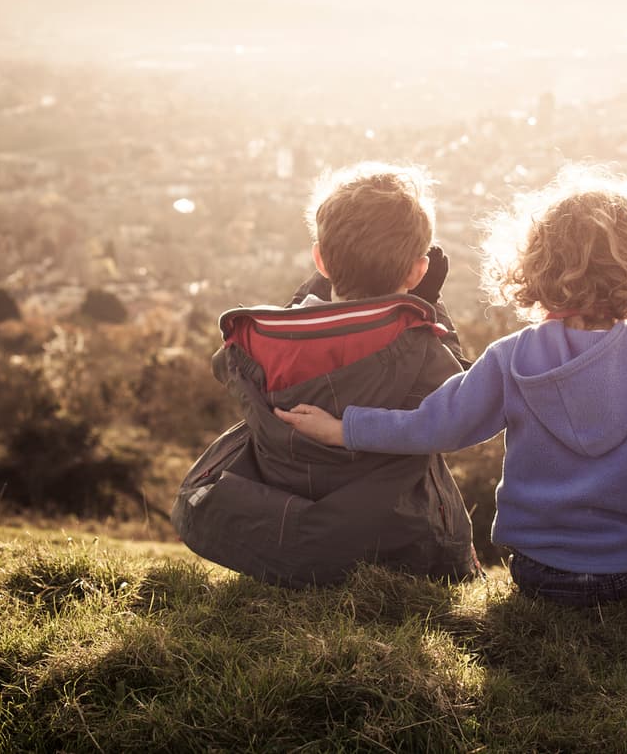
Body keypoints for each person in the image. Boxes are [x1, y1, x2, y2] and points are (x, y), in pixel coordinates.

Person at [276, 165, 627, 615]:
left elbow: (436, 427)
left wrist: (344, 428)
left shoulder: (512, 357)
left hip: (539, 572)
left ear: (538, 265)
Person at [171, 162, 482, 588]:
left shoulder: (262, 343)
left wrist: (306, 297)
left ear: (320, 259)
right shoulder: (420, 347)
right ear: (417, 271)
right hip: (397, 539)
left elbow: (223, 366)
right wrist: (430, 305)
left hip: (284, 525)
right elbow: (462, 401)